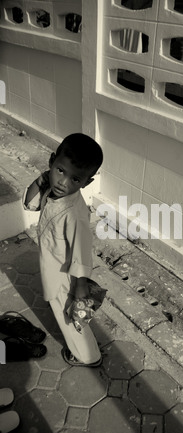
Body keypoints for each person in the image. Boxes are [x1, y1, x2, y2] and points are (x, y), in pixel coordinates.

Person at [23, 133, 104, 367]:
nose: (63, 183)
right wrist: (42, 179)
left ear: (86, 183)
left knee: (70, 317)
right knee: (64, 309)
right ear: (51, 161)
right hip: (52, 264)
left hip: (66, 276)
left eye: (75, 179)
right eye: (60, 171)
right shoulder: (52, 189)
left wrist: (80, 288)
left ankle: (88, 356)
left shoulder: (74, 213)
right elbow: (30, 204)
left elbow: (81, 252)